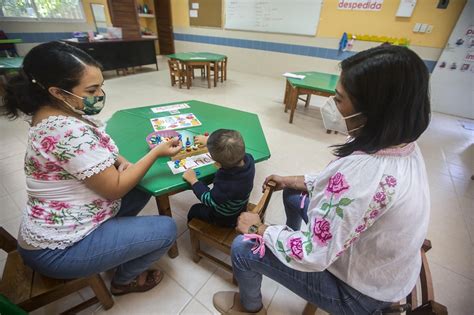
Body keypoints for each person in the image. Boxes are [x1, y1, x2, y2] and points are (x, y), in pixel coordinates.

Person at [213, 45, 431, 314]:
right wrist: (291, 180)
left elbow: (312, 254)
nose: (331, 104)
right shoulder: (399, 139)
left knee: (244, 247)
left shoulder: (365, 175)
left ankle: (250, 307)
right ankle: (287, 239)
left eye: (339, 99)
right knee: (293, 194)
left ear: (372, 110)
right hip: (384, 272)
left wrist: (260, 229)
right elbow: (338, 187)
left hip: (358, 295)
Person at [1, 41, 182, 295]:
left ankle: (115, 246)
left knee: (142, 187)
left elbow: (89, 149)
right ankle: (124, 281)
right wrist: (157, 152)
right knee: (167, 229)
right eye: (92, 89)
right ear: (58, 91)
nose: (99, 95)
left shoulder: (51, 114)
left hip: (72, 219)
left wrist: (118, 159)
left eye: (101, 86)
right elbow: (115, 189)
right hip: (58, 251)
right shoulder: (66, 131)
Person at [182, 129, 255, 227]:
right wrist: (209, 142)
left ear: (218, 164)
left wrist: (194, 181)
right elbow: (228, 149)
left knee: (195, 209)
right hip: (240, 206)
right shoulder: (249, 159)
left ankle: (195, 228)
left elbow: (209, 200)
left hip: (225, 218)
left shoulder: (227, 184)